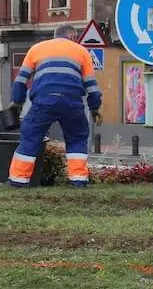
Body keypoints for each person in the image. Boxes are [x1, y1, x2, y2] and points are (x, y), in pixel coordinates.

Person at [7, 24, 103, 187]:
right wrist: (94, 108)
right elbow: (91, 86)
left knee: (30, 137)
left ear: (55, 35)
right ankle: (78, 180)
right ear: (72, 36)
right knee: (77, 137)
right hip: (72, 102)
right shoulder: (81, 51)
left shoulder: (36, 49)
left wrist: (17, 102)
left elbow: (21, 79)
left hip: (44, 101)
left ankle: (18, 180)